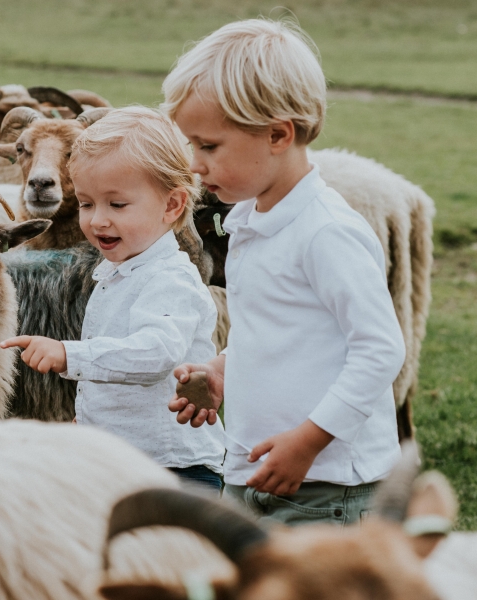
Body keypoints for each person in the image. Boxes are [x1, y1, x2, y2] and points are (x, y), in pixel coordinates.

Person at [162, 19, 406, 524]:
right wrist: (223, 368)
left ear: (277, 134)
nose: (195, 164)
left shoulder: (326, 232)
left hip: (327, 486)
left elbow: (379, 348)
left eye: (208, 146)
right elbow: (275, 326)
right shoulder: (252, 219)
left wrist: (309, 441)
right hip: (255, 469)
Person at [1, 107, 226, 491]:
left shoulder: (170, 278)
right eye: (87, 204)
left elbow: (155, 353)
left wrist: (70, 355)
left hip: (170, 469)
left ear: (172, 206)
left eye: (116, 205)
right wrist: (91, 421)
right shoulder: (113, 273)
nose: (97, 221)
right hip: (119, 461)